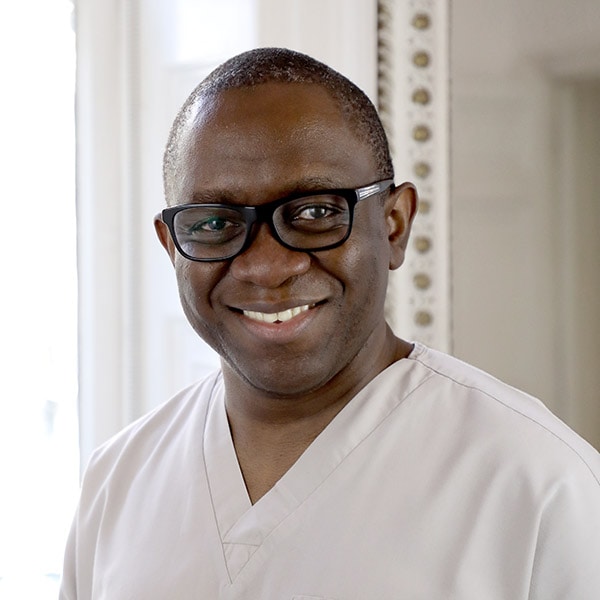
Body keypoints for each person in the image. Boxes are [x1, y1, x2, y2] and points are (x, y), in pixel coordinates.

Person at [60, 47, 600, 599]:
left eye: (315, 212)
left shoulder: (540, 486)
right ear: (172, 246)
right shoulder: (116, 484)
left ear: (394, 225)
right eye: (216, 223)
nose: (267, 266)